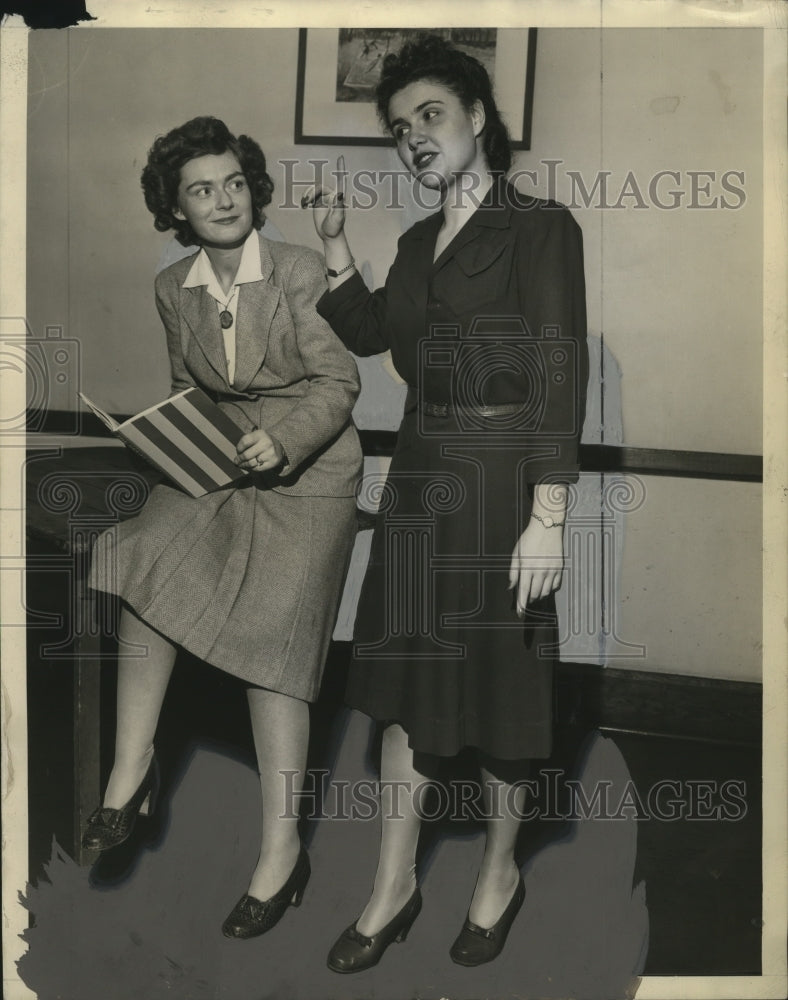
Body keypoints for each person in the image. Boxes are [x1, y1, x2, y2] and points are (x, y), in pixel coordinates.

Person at [304, 34, 588, 971]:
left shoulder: (540, 225)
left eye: (430, 115)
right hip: (426, 472)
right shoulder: (420, 240)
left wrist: (549, 514)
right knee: (404, 692)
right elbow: (383, 333)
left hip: (506, 477)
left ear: (477, 116)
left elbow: (558, 363)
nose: (413, 137)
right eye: (398, 128)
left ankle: (498, 874)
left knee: (504, 694)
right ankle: (393, 887)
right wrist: (339, 251)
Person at [85, 116, 363, 940]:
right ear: (175, 209)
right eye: (202, 190)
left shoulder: (303, 271)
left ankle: (282, 854)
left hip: (309, 472)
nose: (223, 200)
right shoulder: (173, 287)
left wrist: (284, 439)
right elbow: (189, 385)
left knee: (275, 649)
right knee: (140, 561)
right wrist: (183, 438)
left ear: (254, 190)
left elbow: (340, 381)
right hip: (221, 466)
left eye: (234, 182)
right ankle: (130, 776)